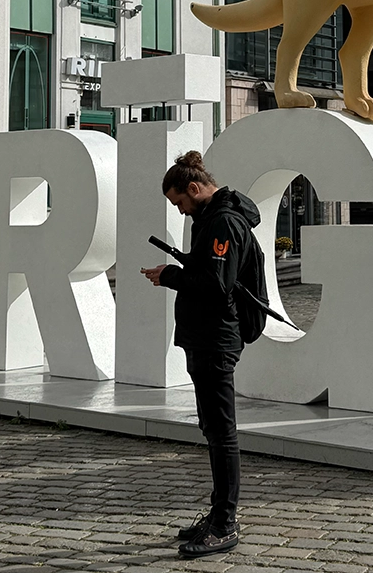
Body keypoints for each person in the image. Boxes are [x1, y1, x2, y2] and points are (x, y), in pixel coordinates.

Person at [140, 151, 265, 558]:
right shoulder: (210, 220)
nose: (180, 210)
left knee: (222, 432)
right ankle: (217, 515)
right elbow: (210, 272)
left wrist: (172, 276)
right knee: (212, 428)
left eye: (179, 202)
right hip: (204, 337)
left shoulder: (224, 222)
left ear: (194, 189)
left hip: (216, 339)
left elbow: (215, 284)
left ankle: (226, 523)